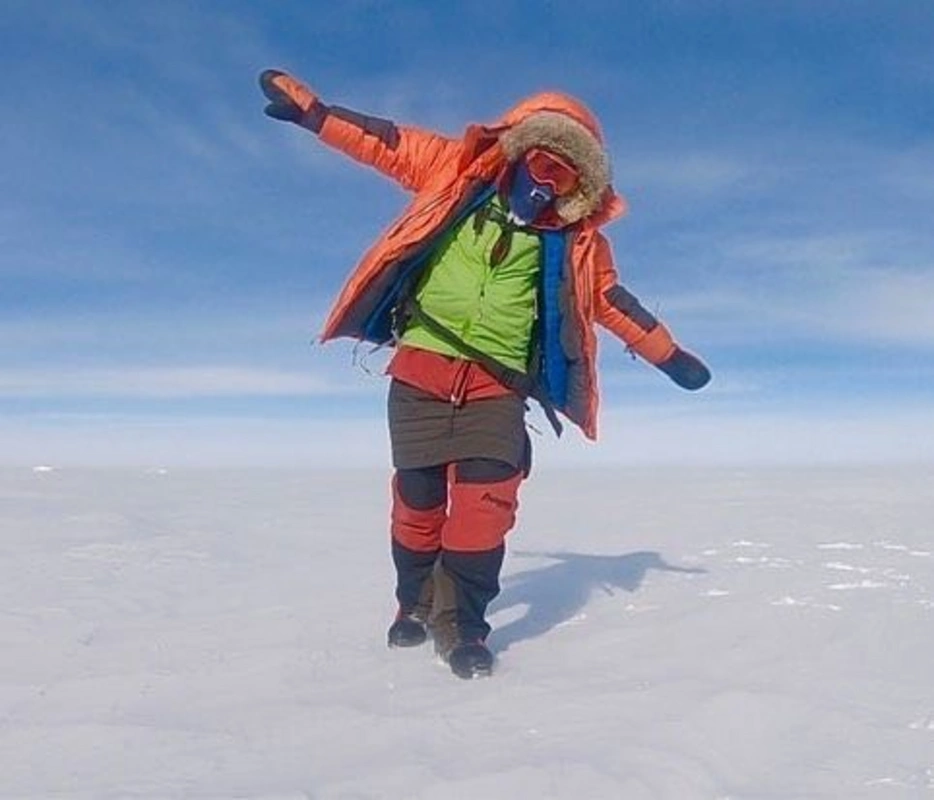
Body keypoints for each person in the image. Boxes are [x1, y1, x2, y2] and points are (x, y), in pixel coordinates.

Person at [259, 69, 711, 679]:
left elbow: (611, 302)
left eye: (565, 176)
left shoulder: (578, 242)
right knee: (418, 503)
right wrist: (317, 115)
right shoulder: (454, 172)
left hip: (498, 387)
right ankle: (413, 605)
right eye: (543, 163)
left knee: (484, 508)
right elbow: (385, 142)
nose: (547, 183)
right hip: (422, 366)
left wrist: (668, 355)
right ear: (521, 153)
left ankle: (464, 627)